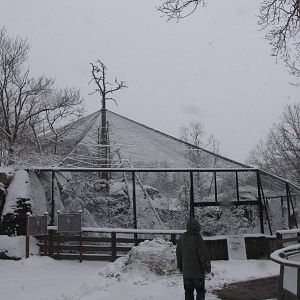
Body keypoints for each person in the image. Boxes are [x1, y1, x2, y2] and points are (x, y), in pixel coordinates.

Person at [176, 219, 211, 300]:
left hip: (186, 273)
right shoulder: (197, 238)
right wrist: (207, 267)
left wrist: (180, 267)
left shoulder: (182, 238)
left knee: (188, 292)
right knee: (200, 291)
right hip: (198, 273)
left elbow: (178, 254)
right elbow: (203, 254)